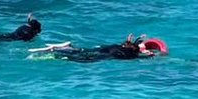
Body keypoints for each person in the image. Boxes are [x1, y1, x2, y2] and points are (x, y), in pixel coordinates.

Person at [36, 34, 167, 62]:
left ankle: (68, 47)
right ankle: (57, 54)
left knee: (85, 51)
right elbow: (147, 55)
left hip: (106, 49)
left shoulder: (123, 45)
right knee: (86, 60)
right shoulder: (133, 54)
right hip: (109, 55)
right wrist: (151, 54)